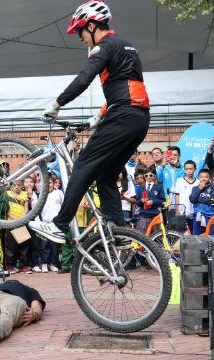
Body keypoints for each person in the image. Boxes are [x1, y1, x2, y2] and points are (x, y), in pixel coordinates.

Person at [30, 1, 150, 242]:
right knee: (106, 175)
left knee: (83, 165)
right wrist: (96, 119)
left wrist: (56, 105)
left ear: (93, 26)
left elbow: (84, 78)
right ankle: (119, 231)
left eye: (80, 31)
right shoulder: (128, 46)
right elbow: (127, 86)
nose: (80, 38)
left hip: (123, 116)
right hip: (139, 119)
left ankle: (59, 225)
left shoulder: (104, 46)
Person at [134, 166, 164, 234]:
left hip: (155, 215)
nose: (148, 177)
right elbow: (137, 202)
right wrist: (141, 200)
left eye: (150, 175)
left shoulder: (159, 186)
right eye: (146, 175)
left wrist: (153, 202)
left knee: (156, 237)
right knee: (142, 237)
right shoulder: (140, 187)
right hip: (144, 215)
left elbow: (162, 200)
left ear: (154, 176)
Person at [190, 169, 214, 235]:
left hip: (210, 215)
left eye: (206, 177)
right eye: (201, 177)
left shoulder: (213, 188)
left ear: (210, 178)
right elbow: (192, 200)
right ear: (199, 178)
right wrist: (199, 189)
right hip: (198, 216)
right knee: (196, 235)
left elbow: (212, 200)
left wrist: (199, 200)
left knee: (211, 235)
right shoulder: (195, 188)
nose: (203, 179)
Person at [174, 160, 199, 232]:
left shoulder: (198, 182)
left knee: (192, 233)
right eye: (186, 169)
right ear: (184, 170)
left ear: (195, 169)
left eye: (191, 169)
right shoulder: (179, 181)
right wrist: (177, 210)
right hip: (182, 212)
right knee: (182, 233)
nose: (189, 171)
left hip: (194, 212)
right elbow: (177, 196)